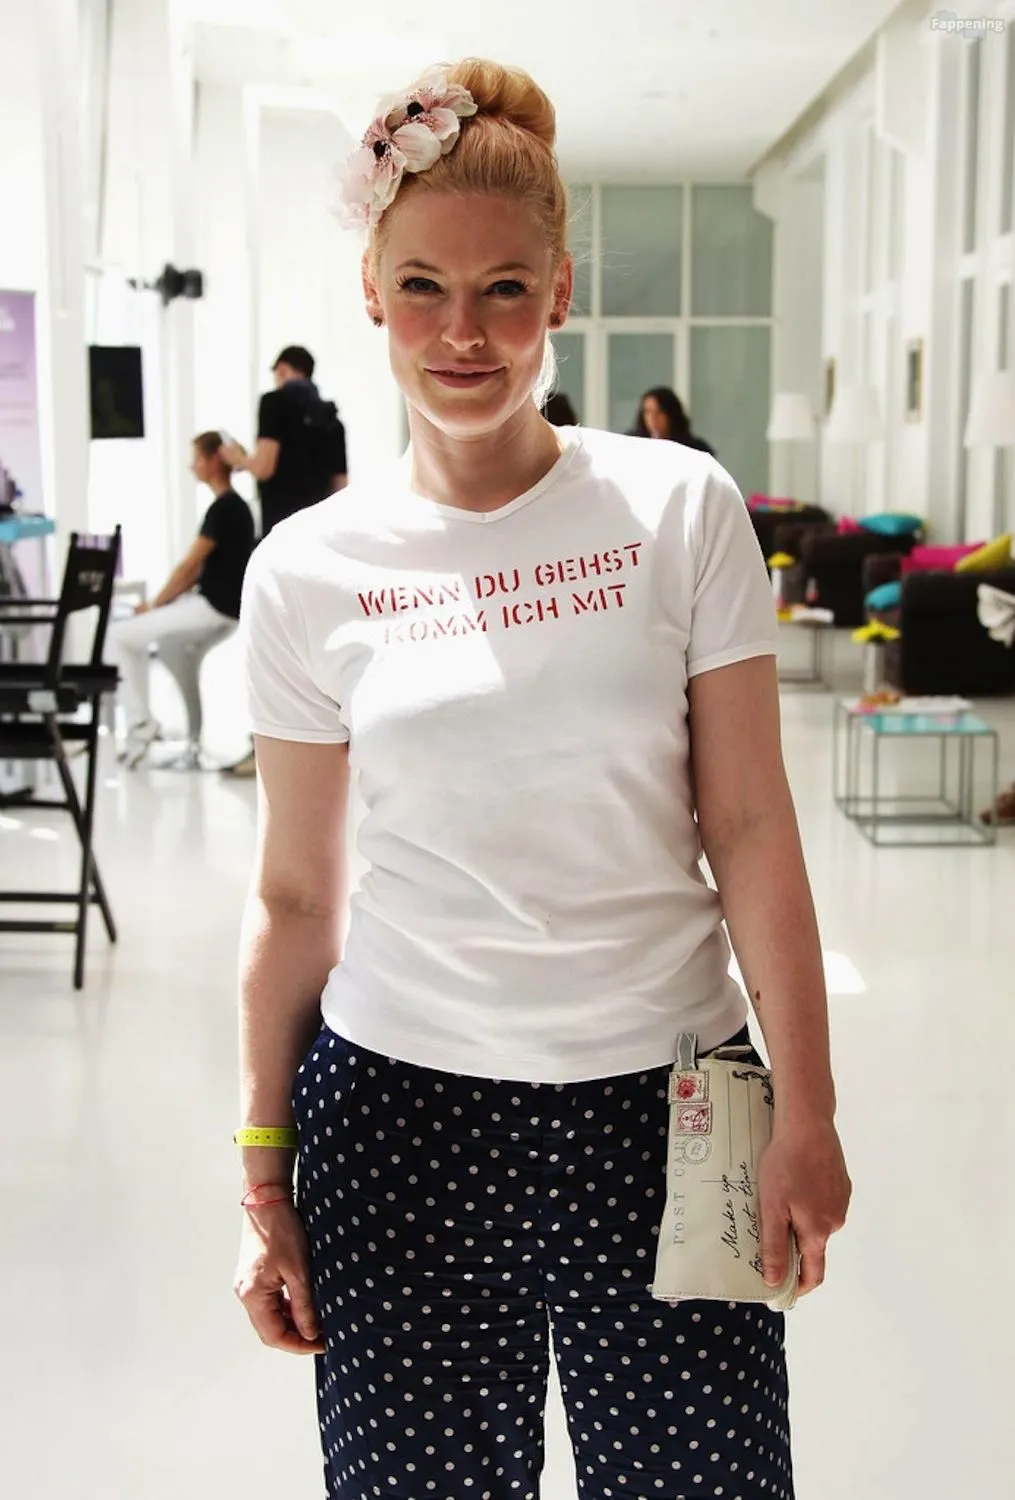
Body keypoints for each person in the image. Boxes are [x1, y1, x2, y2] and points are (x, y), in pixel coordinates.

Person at [233, 58, 850, 1500]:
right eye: (423, 288)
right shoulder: (306, 570)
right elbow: (295, 896)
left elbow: (749, 827)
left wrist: (810, 1110)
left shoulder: (675, 506)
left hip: (674, 1105)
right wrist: (263, 1167)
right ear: (370, 294)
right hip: (401, 1126)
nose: (464, 331)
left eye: (504, 289)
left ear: (559, 293)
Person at [107, 432, 254, 768]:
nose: (192, 466)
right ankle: (189, 739)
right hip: (223, 608)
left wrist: (154, 605)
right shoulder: (235, 508)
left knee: (118, 636)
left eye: (197, 458)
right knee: (171, 651)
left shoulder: (224, 508)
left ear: (214, 460)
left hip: (213, 608)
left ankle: (141, 724)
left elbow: (189, 568)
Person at [223, 345, 348, 538]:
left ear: (281, 369)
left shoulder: (273, 403)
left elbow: (264, 468)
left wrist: (239, 458)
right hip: (319, 531)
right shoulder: (331, 418)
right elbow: (339, 487)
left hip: (281, 527)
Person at [633, 384, 715, 455]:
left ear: (671, 414)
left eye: (659, 412)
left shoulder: (694, 449)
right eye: (648, 412)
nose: (653, 418)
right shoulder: (634, 446)